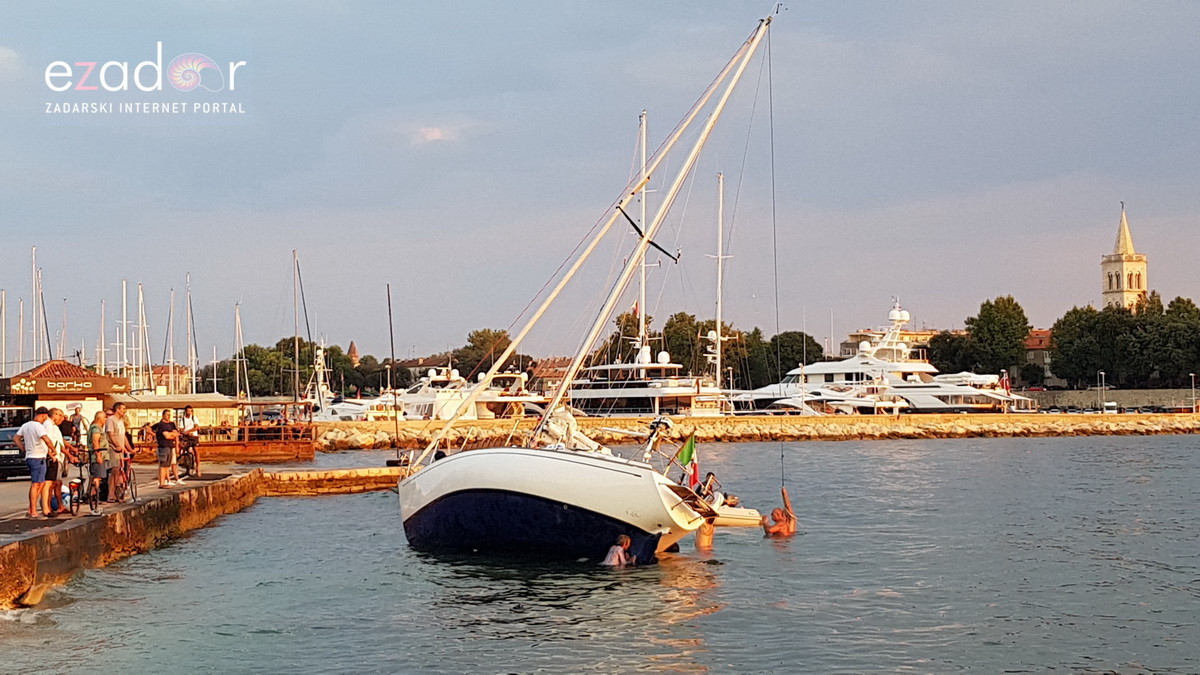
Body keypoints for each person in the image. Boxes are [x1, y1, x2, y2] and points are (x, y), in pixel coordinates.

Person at [14, 407, 52, 519]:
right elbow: (46, 439)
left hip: (30, 456)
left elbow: (16, 438)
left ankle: (31, 509)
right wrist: (53, 449)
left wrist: (23, 448)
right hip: (38, 457)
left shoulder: (25, 425)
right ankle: (33, 511)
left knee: (40, 483)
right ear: (43, 415)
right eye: (46, 417)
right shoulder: (38, 426)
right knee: (36, 484)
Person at [45, 408, 78, 515]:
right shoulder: (48, 426)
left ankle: (60, 506)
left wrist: (71, 450)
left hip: (59, 458)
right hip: (54, 458)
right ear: (54, 414)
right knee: (51, 484)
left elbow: (60, 442)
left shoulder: (55, 427)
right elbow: (50, 442)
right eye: (60, 415)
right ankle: (48, 507)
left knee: (58, 483)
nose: (62, 418)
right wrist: (53, 453)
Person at [105, 402, 133, 502]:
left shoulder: (121, 421)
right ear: (117, 409)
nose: (124, 411)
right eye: (123, 409)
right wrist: (117, 445)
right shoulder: (111, 420)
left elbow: (123, 436)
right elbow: (111, 434)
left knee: (120, 471)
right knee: (114, 470)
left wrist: (129, 448)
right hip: (113, 449)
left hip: (120, 449)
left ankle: (117, 494)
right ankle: (111, 494)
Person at [86, 410, 109, 516]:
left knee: (97, 477)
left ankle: (93, 497)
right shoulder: (96, 428)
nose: (105, 419)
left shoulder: (97, 428)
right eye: (104, 418)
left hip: (100, 456)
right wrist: (98, 455)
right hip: (97, 457)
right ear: (99, 418)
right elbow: (96, 441)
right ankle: (93, 497)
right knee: (97, 477)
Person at [151, 409, 181, 488]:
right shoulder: (161, 425)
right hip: (163, 446)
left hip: (170, 446)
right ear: (163, 415)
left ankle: (165, 481)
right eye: (167, 415)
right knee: (163, 465)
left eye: (169, 415)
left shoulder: (171, 424)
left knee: (167, 465)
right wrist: (172, 434)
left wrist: (172, 434)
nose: (168, 416)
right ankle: (161, 482)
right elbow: (166, 436)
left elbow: (177, 434)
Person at [179, 405, 202, 478]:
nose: (189, 412)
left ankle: (198, 468)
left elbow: (196, 427)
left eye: (190, 411)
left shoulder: (194, 418)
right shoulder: (182, 419)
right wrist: (186, 433)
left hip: (194, 436)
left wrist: (189, 431)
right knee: (183, 448)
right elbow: (181, 429)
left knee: (196, 451)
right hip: (186, 436)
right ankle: (185, 464)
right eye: (188, 411)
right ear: (185, 411)